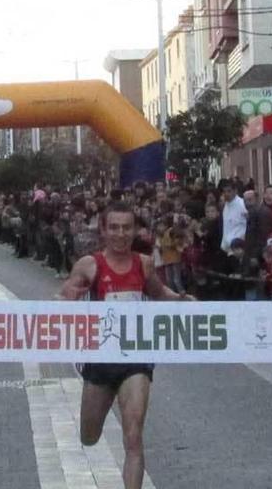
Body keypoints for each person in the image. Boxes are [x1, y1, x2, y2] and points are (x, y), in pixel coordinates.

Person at [57, 201, 193, 489]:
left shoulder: (143, 263)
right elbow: (67, 292)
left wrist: (181, 300)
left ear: (135, 230)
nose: (121, 234)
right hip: (100, 360)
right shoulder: (90, 264)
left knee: (133, 436)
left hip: (135, 359)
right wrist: (68, 295)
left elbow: (158, 292)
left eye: (127, 228)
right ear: (103, 231)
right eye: (115, 228)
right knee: (89, 436)